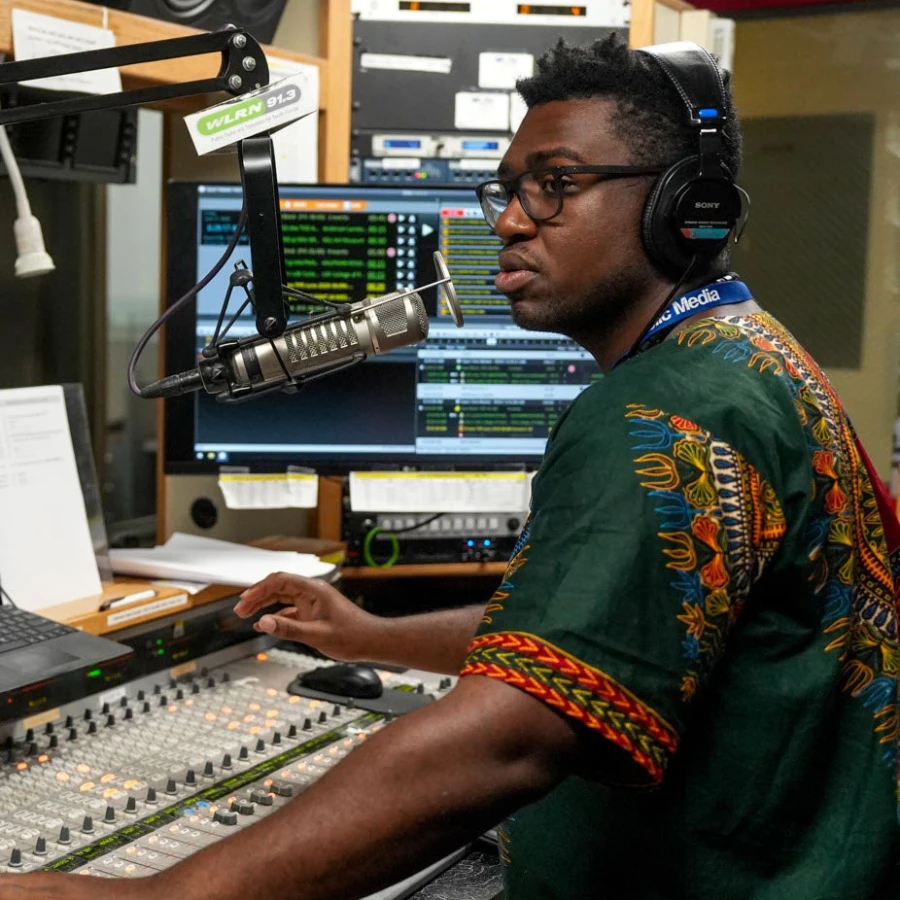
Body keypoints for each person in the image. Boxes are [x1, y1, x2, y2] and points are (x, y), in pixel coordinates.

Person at [3, 33, 899, 900]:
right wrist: (370, 636)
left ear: (682, 204)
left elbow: (506, 743)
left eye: (557, 185)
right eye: (506, 190)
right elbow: (600, 631)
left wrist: (162, 896)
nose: (509, 221)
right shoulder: (749, 353)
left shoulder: (662, 412)